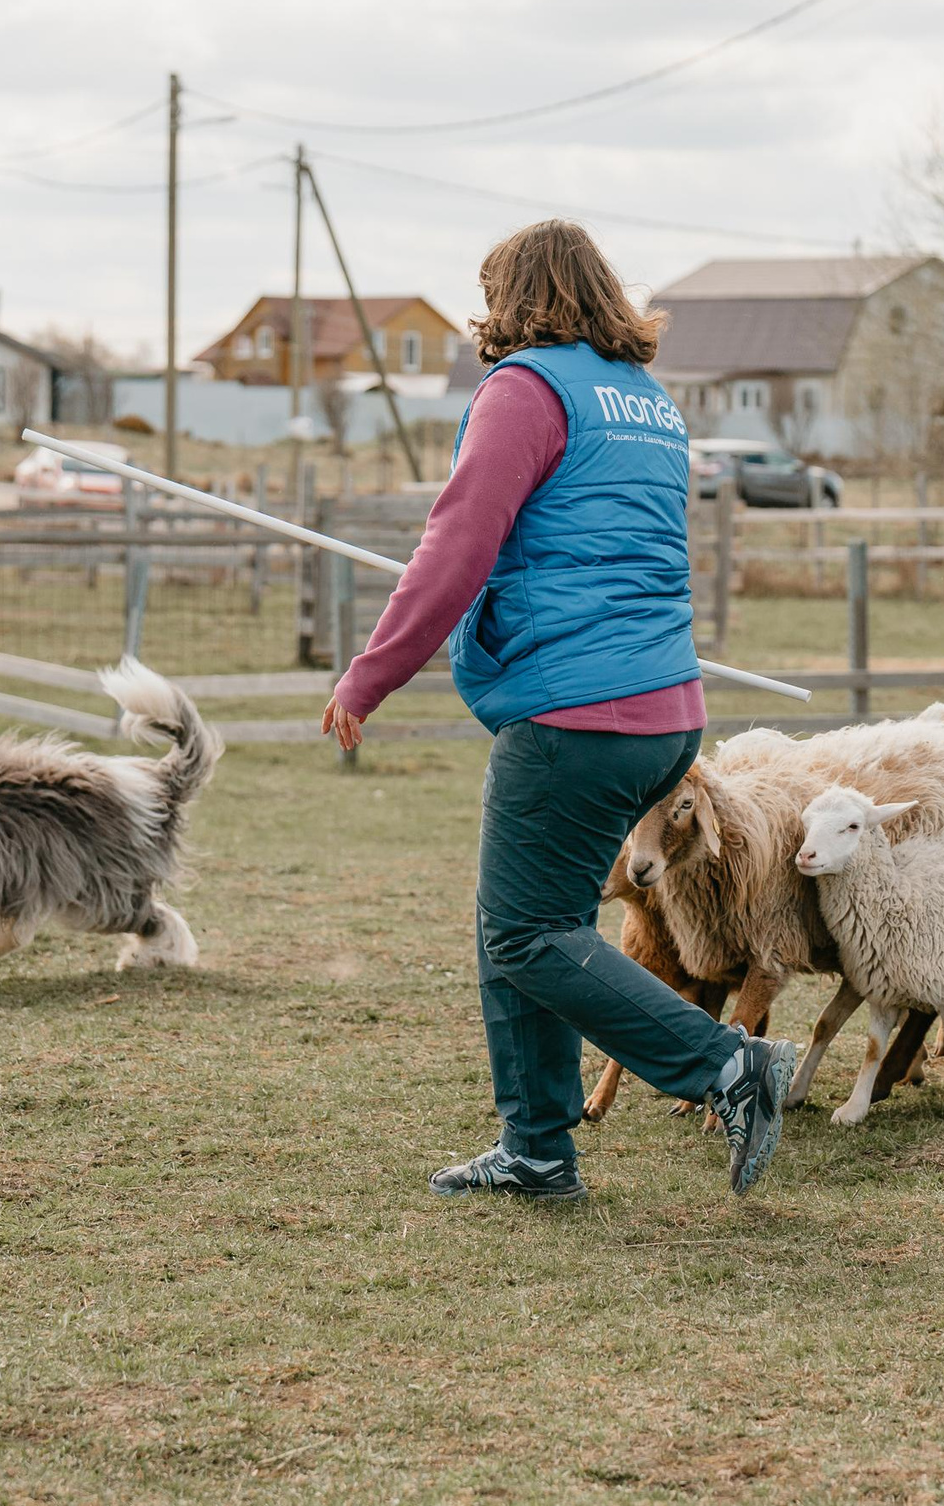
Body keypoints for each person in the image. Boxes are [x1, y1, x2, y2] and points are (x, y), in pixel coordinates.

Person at [322, 220, 795, 1202]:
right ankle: (536, 1147)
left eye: (489, 295)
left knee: (523, 933)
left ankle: (725, 1064)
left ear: (514, 298)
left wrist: (370, 673)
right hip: (662, 710)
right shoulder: (646, 404)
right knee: (524, 921)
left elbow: (456, 547)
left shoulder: (526, 391)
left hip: (576, 711)